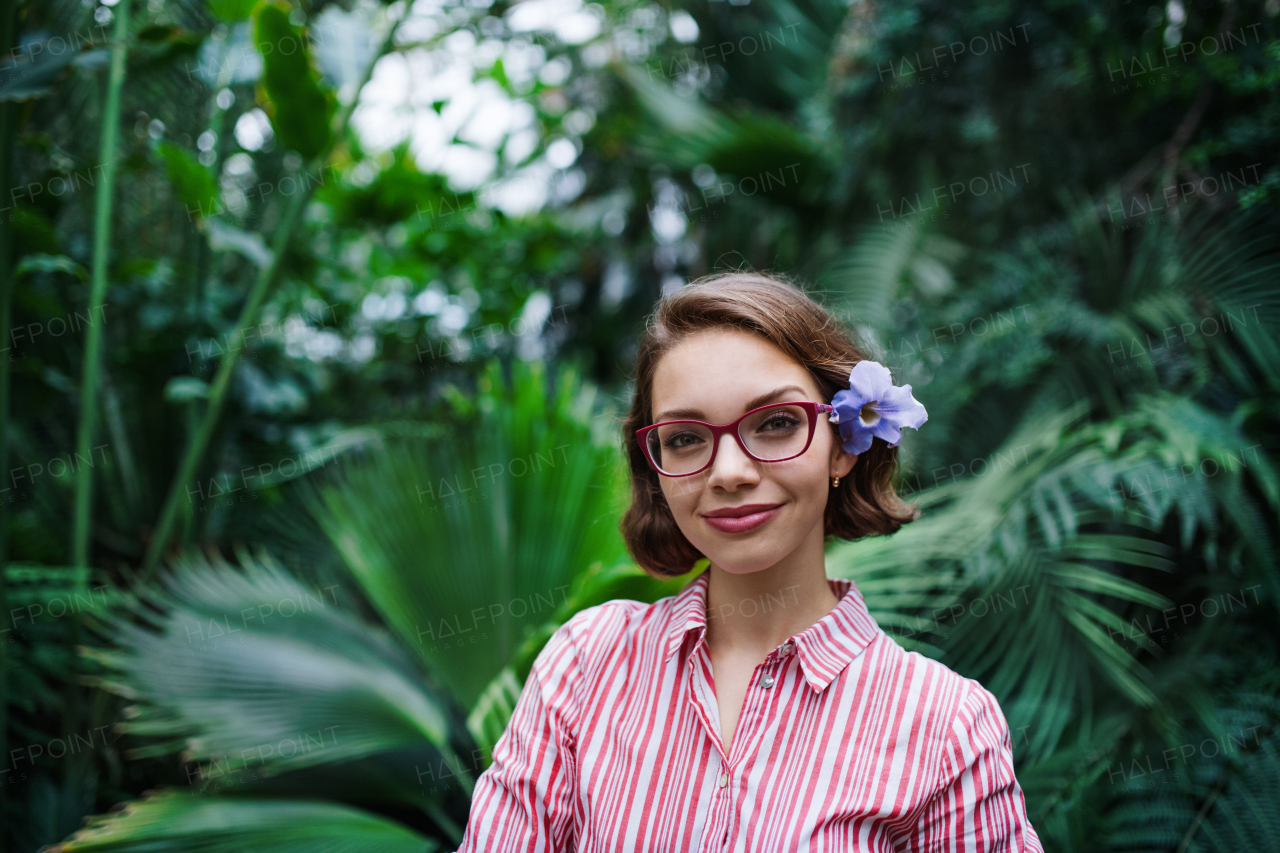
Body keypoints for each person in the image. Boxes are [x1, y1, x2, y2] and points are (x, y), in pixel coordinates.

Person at [455, 271, 1043, 852]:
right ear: (655, 464)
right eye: (686, 437)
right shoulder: (587, 664)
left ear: (842, 445)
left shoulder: (945, 725)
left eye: (778, 423)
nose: (730, 472)